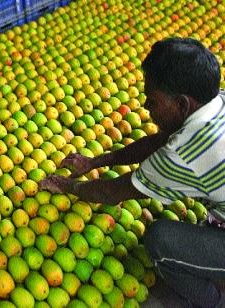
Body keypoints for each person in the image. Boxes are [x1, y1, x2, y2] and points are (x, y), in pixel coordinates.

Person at [39, 37, 225, 308]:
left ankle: (213, 302)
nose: (147, 109)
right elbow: (157, 142)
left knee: (159, 239)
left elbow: (111, 192)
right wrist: (95, 163)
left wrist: (66, 185)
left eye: (153, 101)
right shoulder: (216, 100)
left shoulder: (184, 153)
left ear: (183, 104)